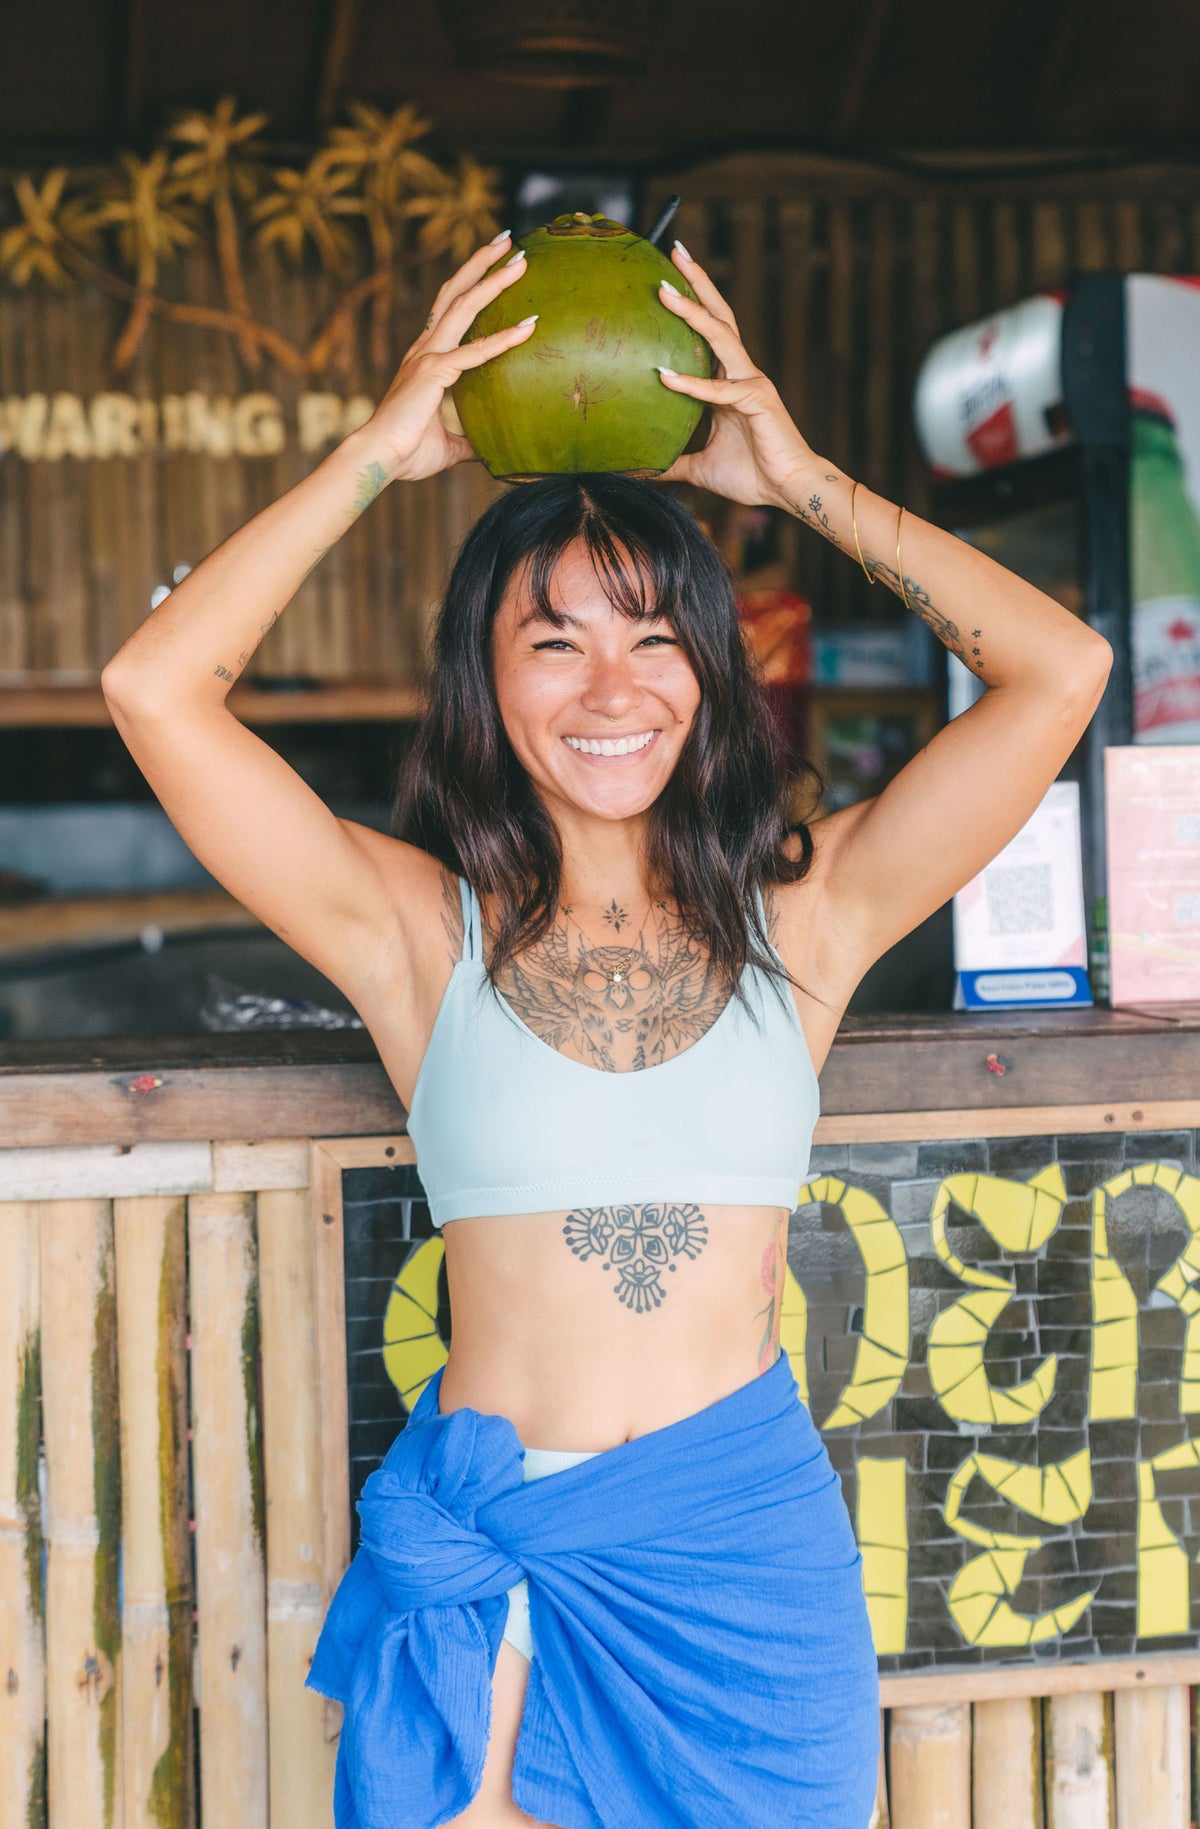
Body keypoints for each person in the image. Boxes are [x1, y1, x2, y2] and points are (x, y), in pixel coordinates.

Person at [102, 229, 1112, 1829]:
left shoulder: (809, 921)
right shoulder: (416, 933)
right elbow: (159, 687)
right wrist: (383, 451)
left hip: (743, 1569)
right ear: (489, 685)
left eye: (653, 635)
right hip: (494, 1566)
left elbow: (1060, 669)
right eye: (553, 636)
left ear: (709, 675)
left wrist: (804, 483)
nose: (610, 683)